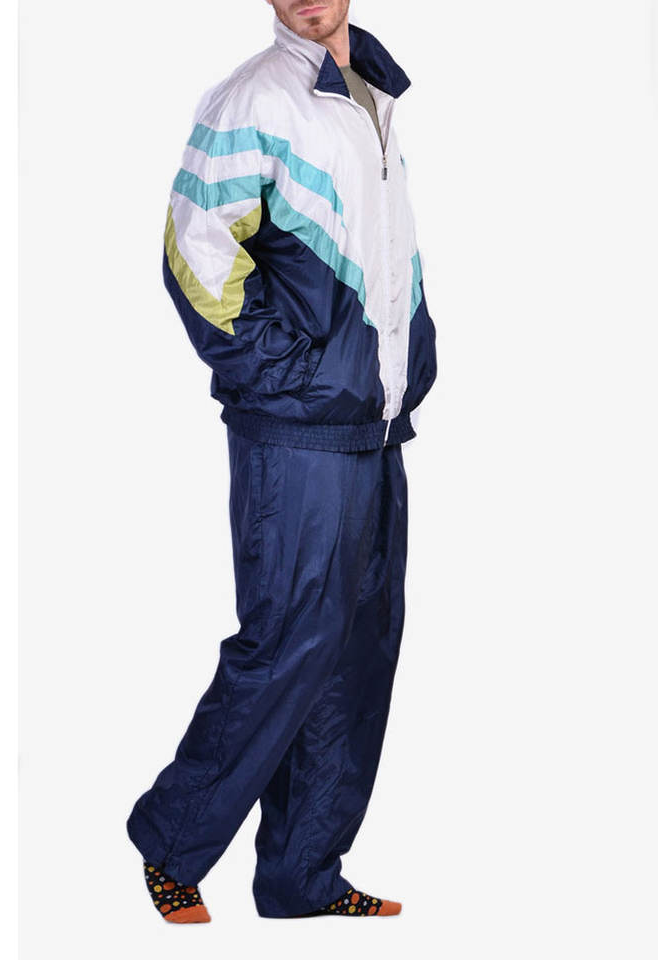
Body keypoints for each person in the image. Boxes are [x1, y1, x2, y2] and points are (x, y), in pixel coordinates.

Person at [126, 0, 438, 922]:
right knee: (288, 645)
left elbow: (377, 253)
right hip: (297, 432)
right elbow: (194, 253)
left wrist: (409, 355)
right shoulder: (255, 99)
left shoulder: (372, 91)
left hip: (372, 425)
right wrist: (293, 376)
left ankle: (303, 875)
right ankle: (171, 842)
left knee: (358, 653)